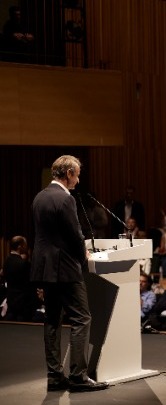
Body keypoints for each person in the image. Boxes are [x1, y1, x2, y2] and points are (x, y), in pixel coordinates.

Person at [30, 155, 108, 392]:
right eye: (77, 175)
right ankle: (78, 376)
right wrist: (84, 255)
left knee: (52, 320)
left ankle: (54, 376)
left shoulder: (39, 197)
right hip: (64, 268)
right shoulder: (66, 199)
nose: (78, 180)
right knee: (82, 318)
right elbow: (75, 235)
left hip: (45, 268)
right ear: (69, 174)